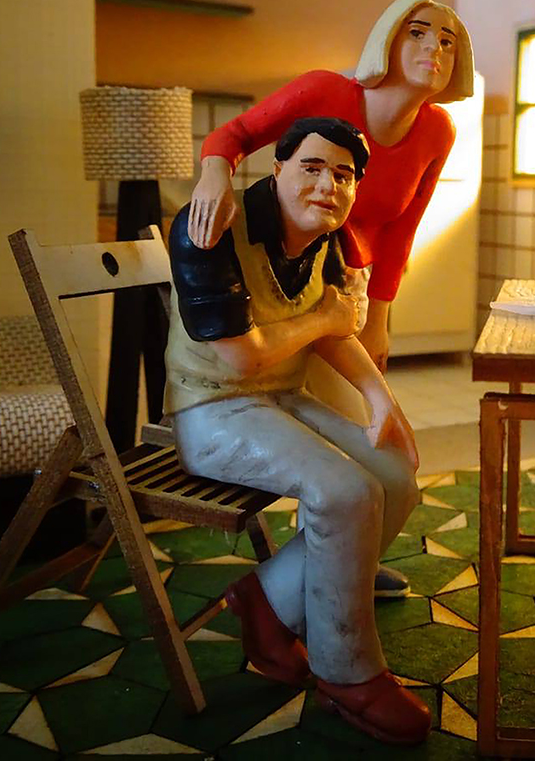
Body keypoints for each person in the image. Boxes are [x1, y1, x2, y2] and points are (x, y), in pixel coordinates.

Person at [186, 0, 474, 598]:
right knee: (321, 435)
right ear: (387, 38)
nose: (434, 48)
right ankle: (329, 566)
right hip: (293, 274)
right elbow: (234, 134)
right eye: (418, 32)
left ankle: (345, 560)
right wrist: (214, 172)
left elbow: (403, 228)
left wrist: (380, 316)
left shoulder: (438, 130)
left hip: (353, 286)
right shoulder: (324, 91)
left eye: (448, 41)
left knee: (357, 431)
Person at [165, 116, 429, 745]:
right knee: (347, 493)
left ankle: (266, 602)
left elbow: (333, 325)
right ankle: (348, 674)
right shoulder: (213, 227)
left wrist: (380, 398)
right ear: (278, 168)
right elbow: (242, 357)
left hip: (283, 396)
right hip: (213, 410)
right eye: (311, 168)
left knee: (395, 477)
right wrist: (325, 321)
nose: (327, 186)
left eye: (343, 175)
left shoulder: (323, 237)